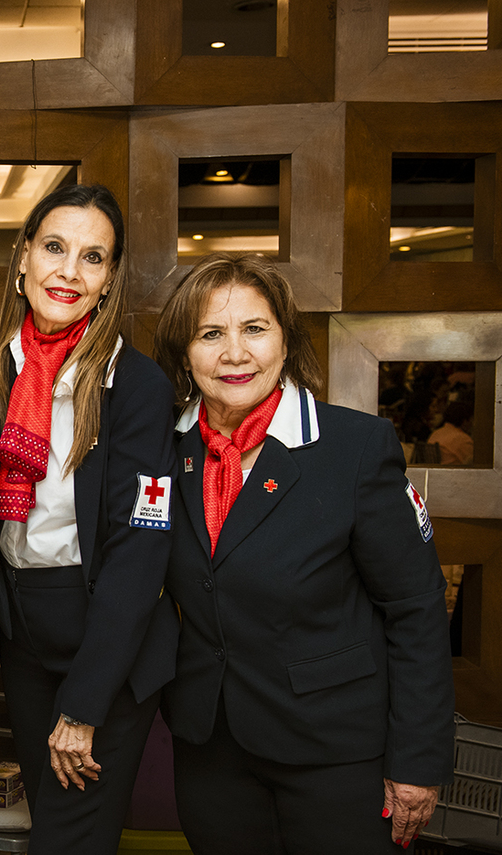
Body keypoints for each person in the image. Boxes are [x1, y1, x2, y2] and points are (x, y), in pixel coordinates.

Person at [153, 253, 454, 854]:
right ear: (186, 354)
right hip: (212, 748)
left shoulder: (356, 448)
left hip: (334, 751)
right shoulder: (167, 449)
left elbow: (416, 610)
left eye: (254, 329)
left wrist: (418, 760)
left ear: (286, 342)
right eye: (211, 334)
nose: (234, 353)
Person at [0, 184, 178, 854]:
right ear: (24, 257)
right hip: (27, 644)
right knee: (56, 828)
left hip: (107, 647)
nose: (69, 271)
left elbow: (138, 560)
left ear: (109, 279)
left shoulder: (138, 386)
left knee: (68, 840)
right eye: (55, 248)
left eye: (93, 258)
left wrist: (85, 708)